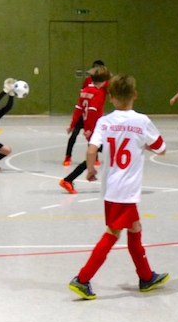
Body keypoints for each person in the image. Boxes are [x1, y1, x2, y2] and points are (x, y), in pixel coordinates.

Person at [68, 74, 169, 300]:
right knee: (113, 233)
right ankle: (82, 279)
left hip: (112, 188)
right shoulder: (142, 121)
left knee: (135, 227)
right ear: (134, 95)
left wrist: (91, 170)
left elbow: (91, 150)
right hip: (126, 190)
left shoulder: (104, 122)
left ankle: (146, 276)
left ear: (111, 97)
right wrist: (144, 145)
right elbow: (161, 149)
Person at [60, 66, 111, 194]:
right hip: (94, 129)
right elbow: (92, 111)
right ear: (104, 80)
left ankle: (70, 179)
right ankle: (68, 179)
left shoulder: (85, 90)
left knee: (94, 155)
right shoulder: (98, 93)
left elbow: (78, 108)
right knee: (110, 153)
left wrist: (72, 124)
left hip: (91, 129)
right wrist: (89, 129)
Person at [64, 60, 106, 166]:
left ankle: (94, 157)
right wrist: (84, 126)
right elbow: (87, 107)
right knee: (78, 136)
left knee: (93, 139)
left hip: (92, 115)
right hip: (88, 115)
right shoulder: (91, 86)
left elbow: (79, 106)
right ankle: (68, 156)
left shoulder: (104, 84)